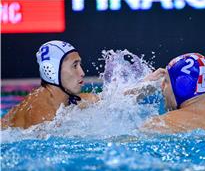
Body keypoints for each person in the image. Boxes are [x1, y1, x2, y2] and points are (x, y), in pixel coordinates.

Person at [1, 40, 164, 130]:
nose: (82, 72)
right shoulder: (39, 110)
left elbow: (113, 101)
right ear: (51, 70)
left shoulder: (70, 100)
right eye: (74, 65)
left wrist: (148, 83)